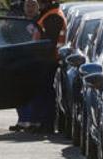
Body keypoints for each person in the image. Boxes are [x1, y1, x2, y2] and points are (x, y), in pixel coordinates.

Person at [29, 0, 66, 134]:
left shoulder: (53, 16)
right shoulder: (49, 14)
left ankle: (47, 124)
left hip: (49, 60)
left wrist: (41, 57)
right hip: (47, 60)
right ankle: (44, 122)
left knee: (47, 93)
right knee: (45, 92)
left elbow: (49, 42)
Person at [10, 0, 42, 132]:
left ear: (38, 7)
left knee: (34, 93)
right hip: (21, 61)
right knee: (19, 92)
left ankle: (33, 120)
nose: (30, 8)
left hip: (36, 61)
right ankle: (22, 120)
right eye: (27, 5)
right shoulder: (18, 23)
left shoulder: (40, 21)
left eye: (33, 5)